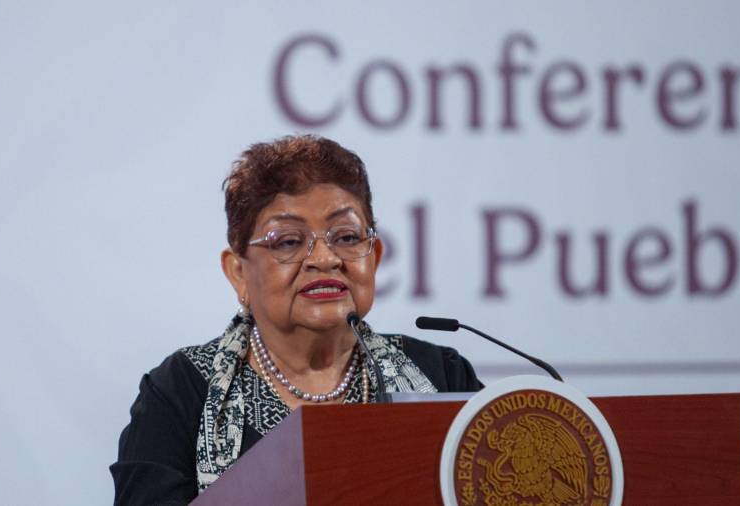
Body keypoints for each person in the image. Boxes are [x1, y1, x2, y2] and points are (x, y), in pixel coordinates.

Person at [110, 135, 482, 505]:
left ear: (375, 256)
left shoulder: (440, 376)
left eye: (347, 237)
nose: (324, 258)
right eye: (288, 241)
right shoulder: (182, 391)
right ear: (238, 272)